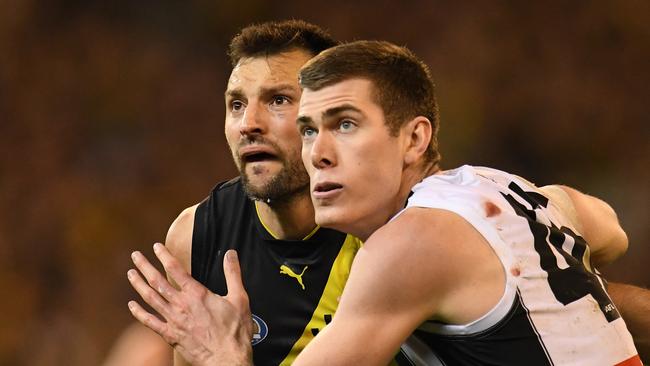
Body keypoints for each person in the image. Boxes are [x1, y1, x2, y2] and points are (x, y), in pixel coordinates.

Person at [127, 36, 649, 364]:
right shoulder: (508, 191)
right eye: (309, 131)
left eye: (345, 125)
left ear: (415, 139)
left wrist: (222, 356)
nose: (320, 155)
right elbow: (608, 230)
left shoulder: (408, 243)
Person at [127, 20, 369, 366]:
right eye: (237, 105)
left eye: (278, 100)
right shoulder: (196, 236)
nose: (248, 124)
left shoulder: (380, 228)